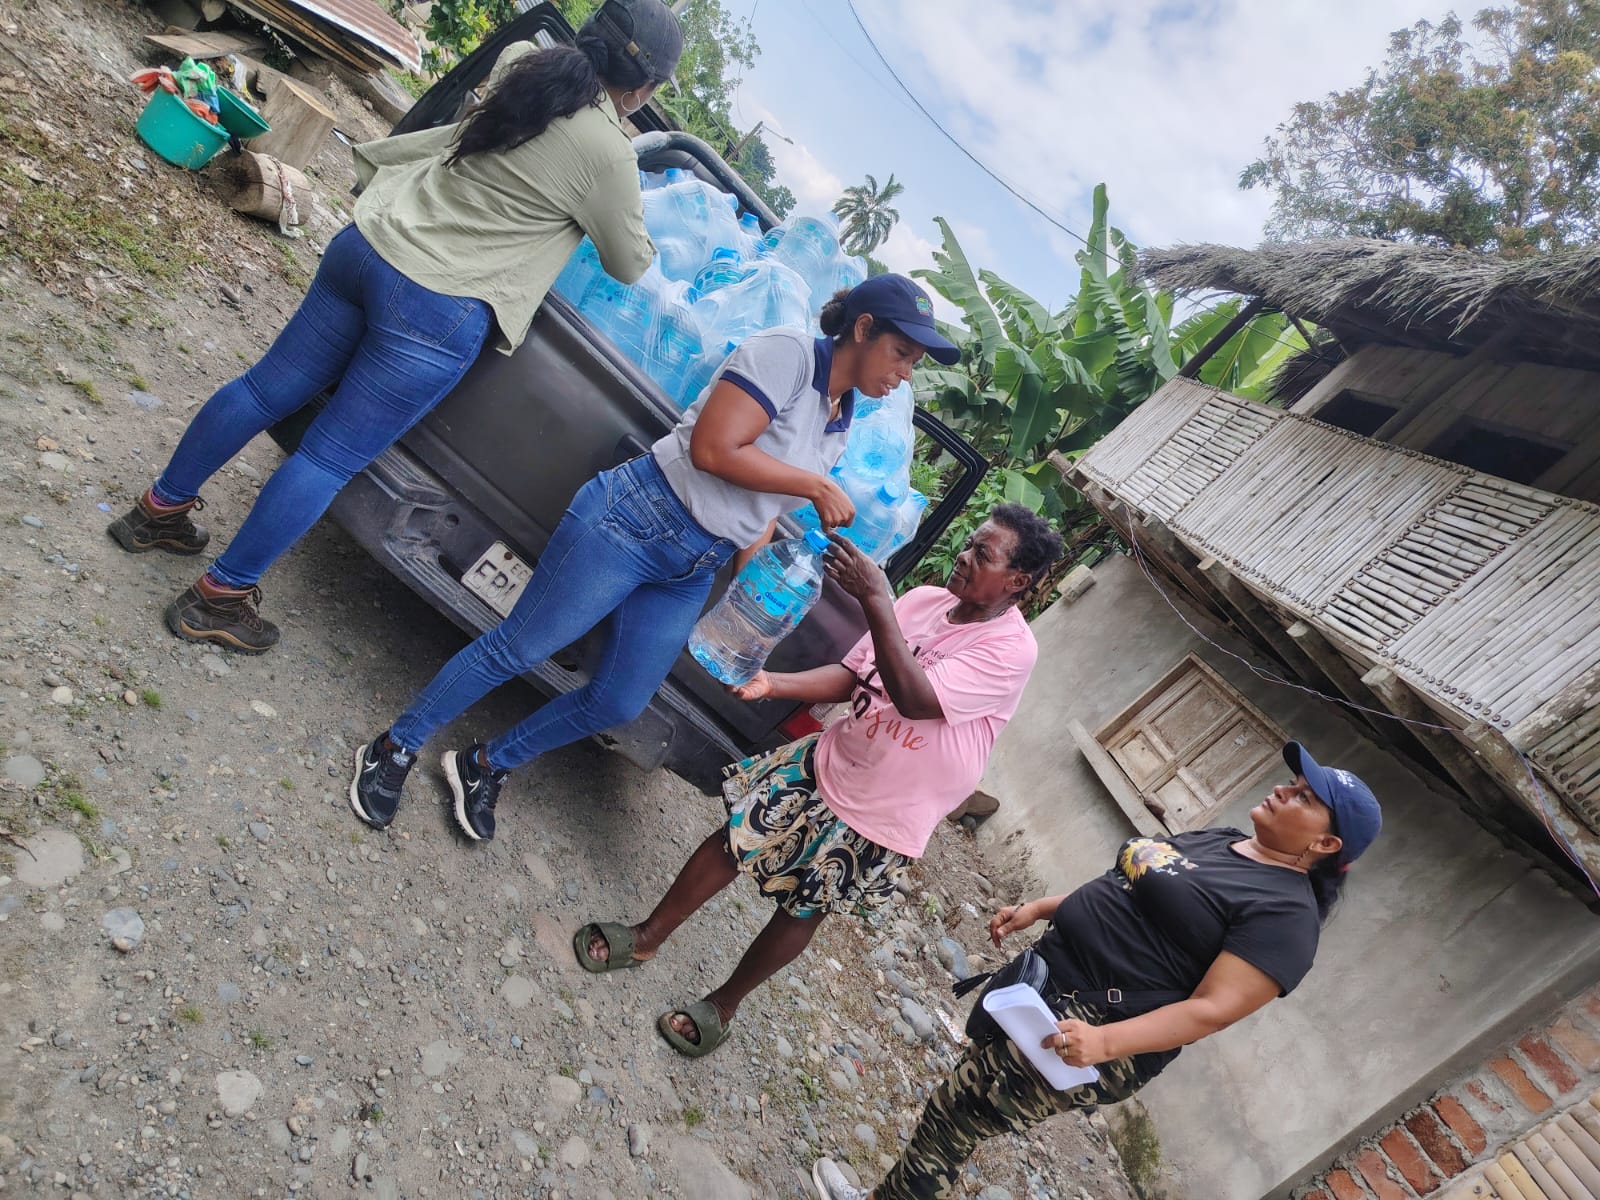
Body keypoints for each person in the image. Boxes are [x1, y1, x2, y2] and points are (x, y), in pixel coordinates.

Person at [106, 0, 683, 653]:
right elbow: (630, 262)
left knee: (263, 389)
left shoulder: (525, 62)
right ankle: (219, 598)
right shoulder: (609, 154)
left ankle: (158, 511)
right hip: (436, 307)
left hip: (368, 247)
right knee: (327, 457)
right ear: (642, 88)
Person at [347, 273, 961, 840]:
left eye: (914, 363)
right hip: (638, 516)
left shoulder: (839, 417)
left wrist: (753, 589)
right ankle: (394, 747)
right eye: (902, 353)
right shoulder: (789, 356)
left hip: (694, 564)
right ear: (863, 328)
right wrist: (815, 486)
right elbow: (714, 449)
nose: (905, 373)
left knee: (619, 700)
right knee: (521, 647)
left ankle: (485, 763)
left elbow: (762, 506)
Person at [572, 504, 1063, 1058]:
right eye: (969, 543)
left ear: (1017, 581)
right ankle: (647, 937)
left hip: (888, 810)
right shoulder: (926, 601)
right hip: (836, 756)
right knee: (735, 837)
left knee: (803, 906)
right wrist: (772, 683)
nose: (965, 556)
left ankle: (723, 1005)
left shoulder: (1010, 650)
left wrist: (875, 597)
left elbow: (914, 697)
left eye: (983, 554)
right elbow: (856, 675)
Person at [808, 740, 1383, 1200]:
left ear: (1327, 842)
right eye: (1293, 781)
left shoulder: (1287, 917)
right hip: (1048, 980)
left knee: (958, 1114)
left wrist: (1103, 1043)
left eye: (1304, 797)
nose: (1284, 789)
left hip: (1093, 1025)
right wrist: (1044, 907)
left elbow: (1211, 1010)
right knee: (960, 1101)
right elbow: (1132, 887)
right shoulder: (1225, 841)